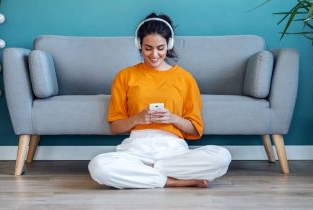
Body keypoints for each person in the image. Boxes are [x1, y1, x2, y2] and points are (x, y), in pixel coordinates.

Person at [88, 13, 231, 189]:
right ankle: (171, 181)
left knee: (222, 156)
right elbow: (115, 128)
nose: (154, 55)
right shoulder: (124, 76)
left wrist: (173, 118)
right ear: (138, 45)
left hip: (174, 150)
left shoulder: (185, 78)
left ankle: (146, 172)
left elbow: (195, 131)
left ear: (169, 45)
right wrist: (137, 119)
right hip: (136, 148)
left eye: (160, 48)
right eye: (148, 48)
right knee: (98, 166)